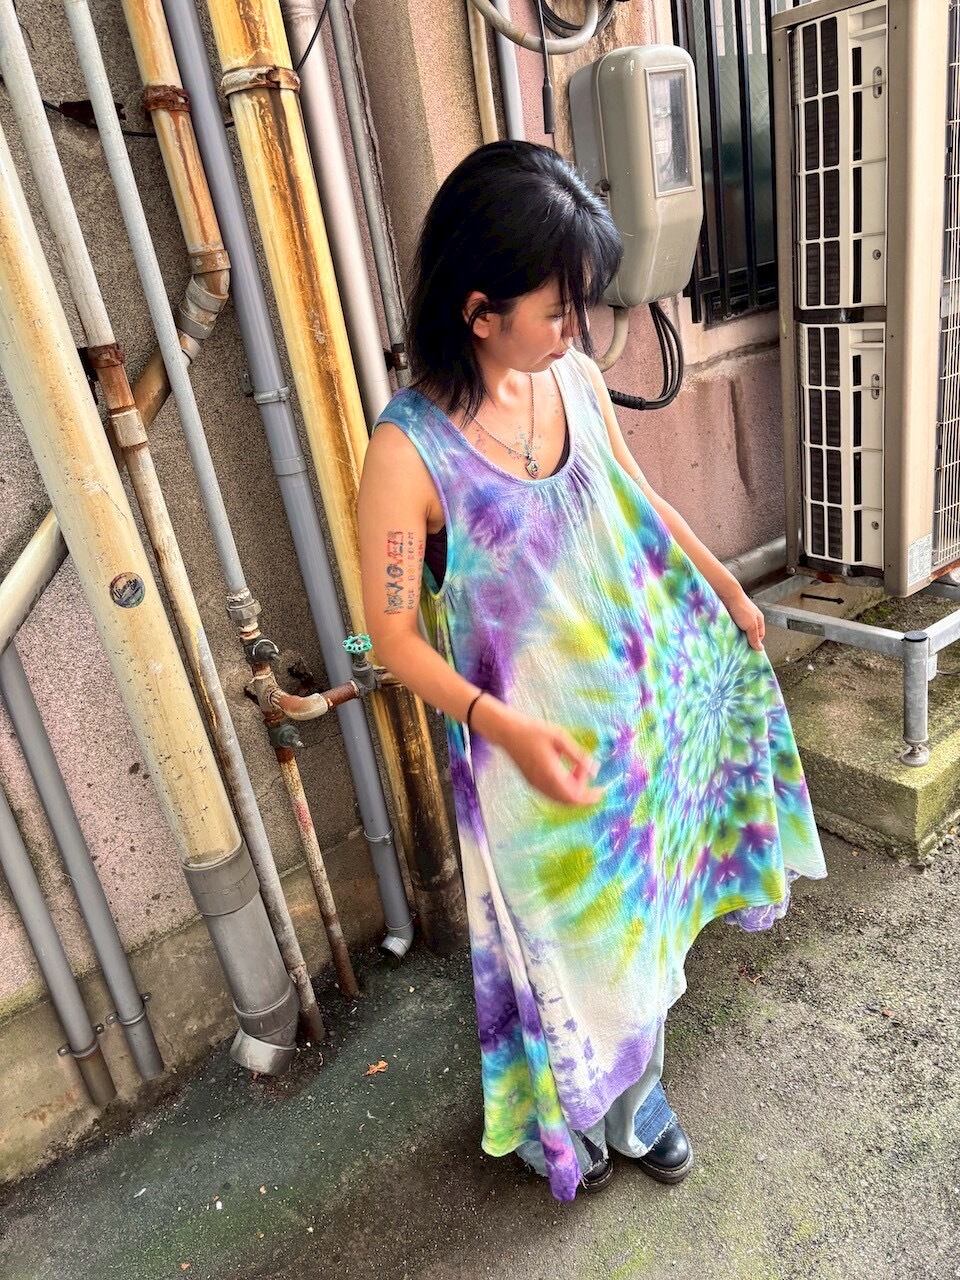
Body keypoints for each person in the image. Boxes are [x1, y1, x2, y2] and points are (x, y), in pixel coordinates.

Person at [357, 140, 827, 1203]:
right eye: (558, 308)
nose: (579, 329)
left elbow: (633, 492)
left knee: (640, 919)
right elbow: (388, 637)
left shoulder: (567, 376)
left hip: (633, 713)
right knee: (556, 947)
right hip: (525, 758)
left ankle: (636, 1094)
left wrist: (725, 586)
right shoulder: (408, 452)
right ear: (480, 312)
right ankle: (561, 1116)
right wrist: (507, 728)